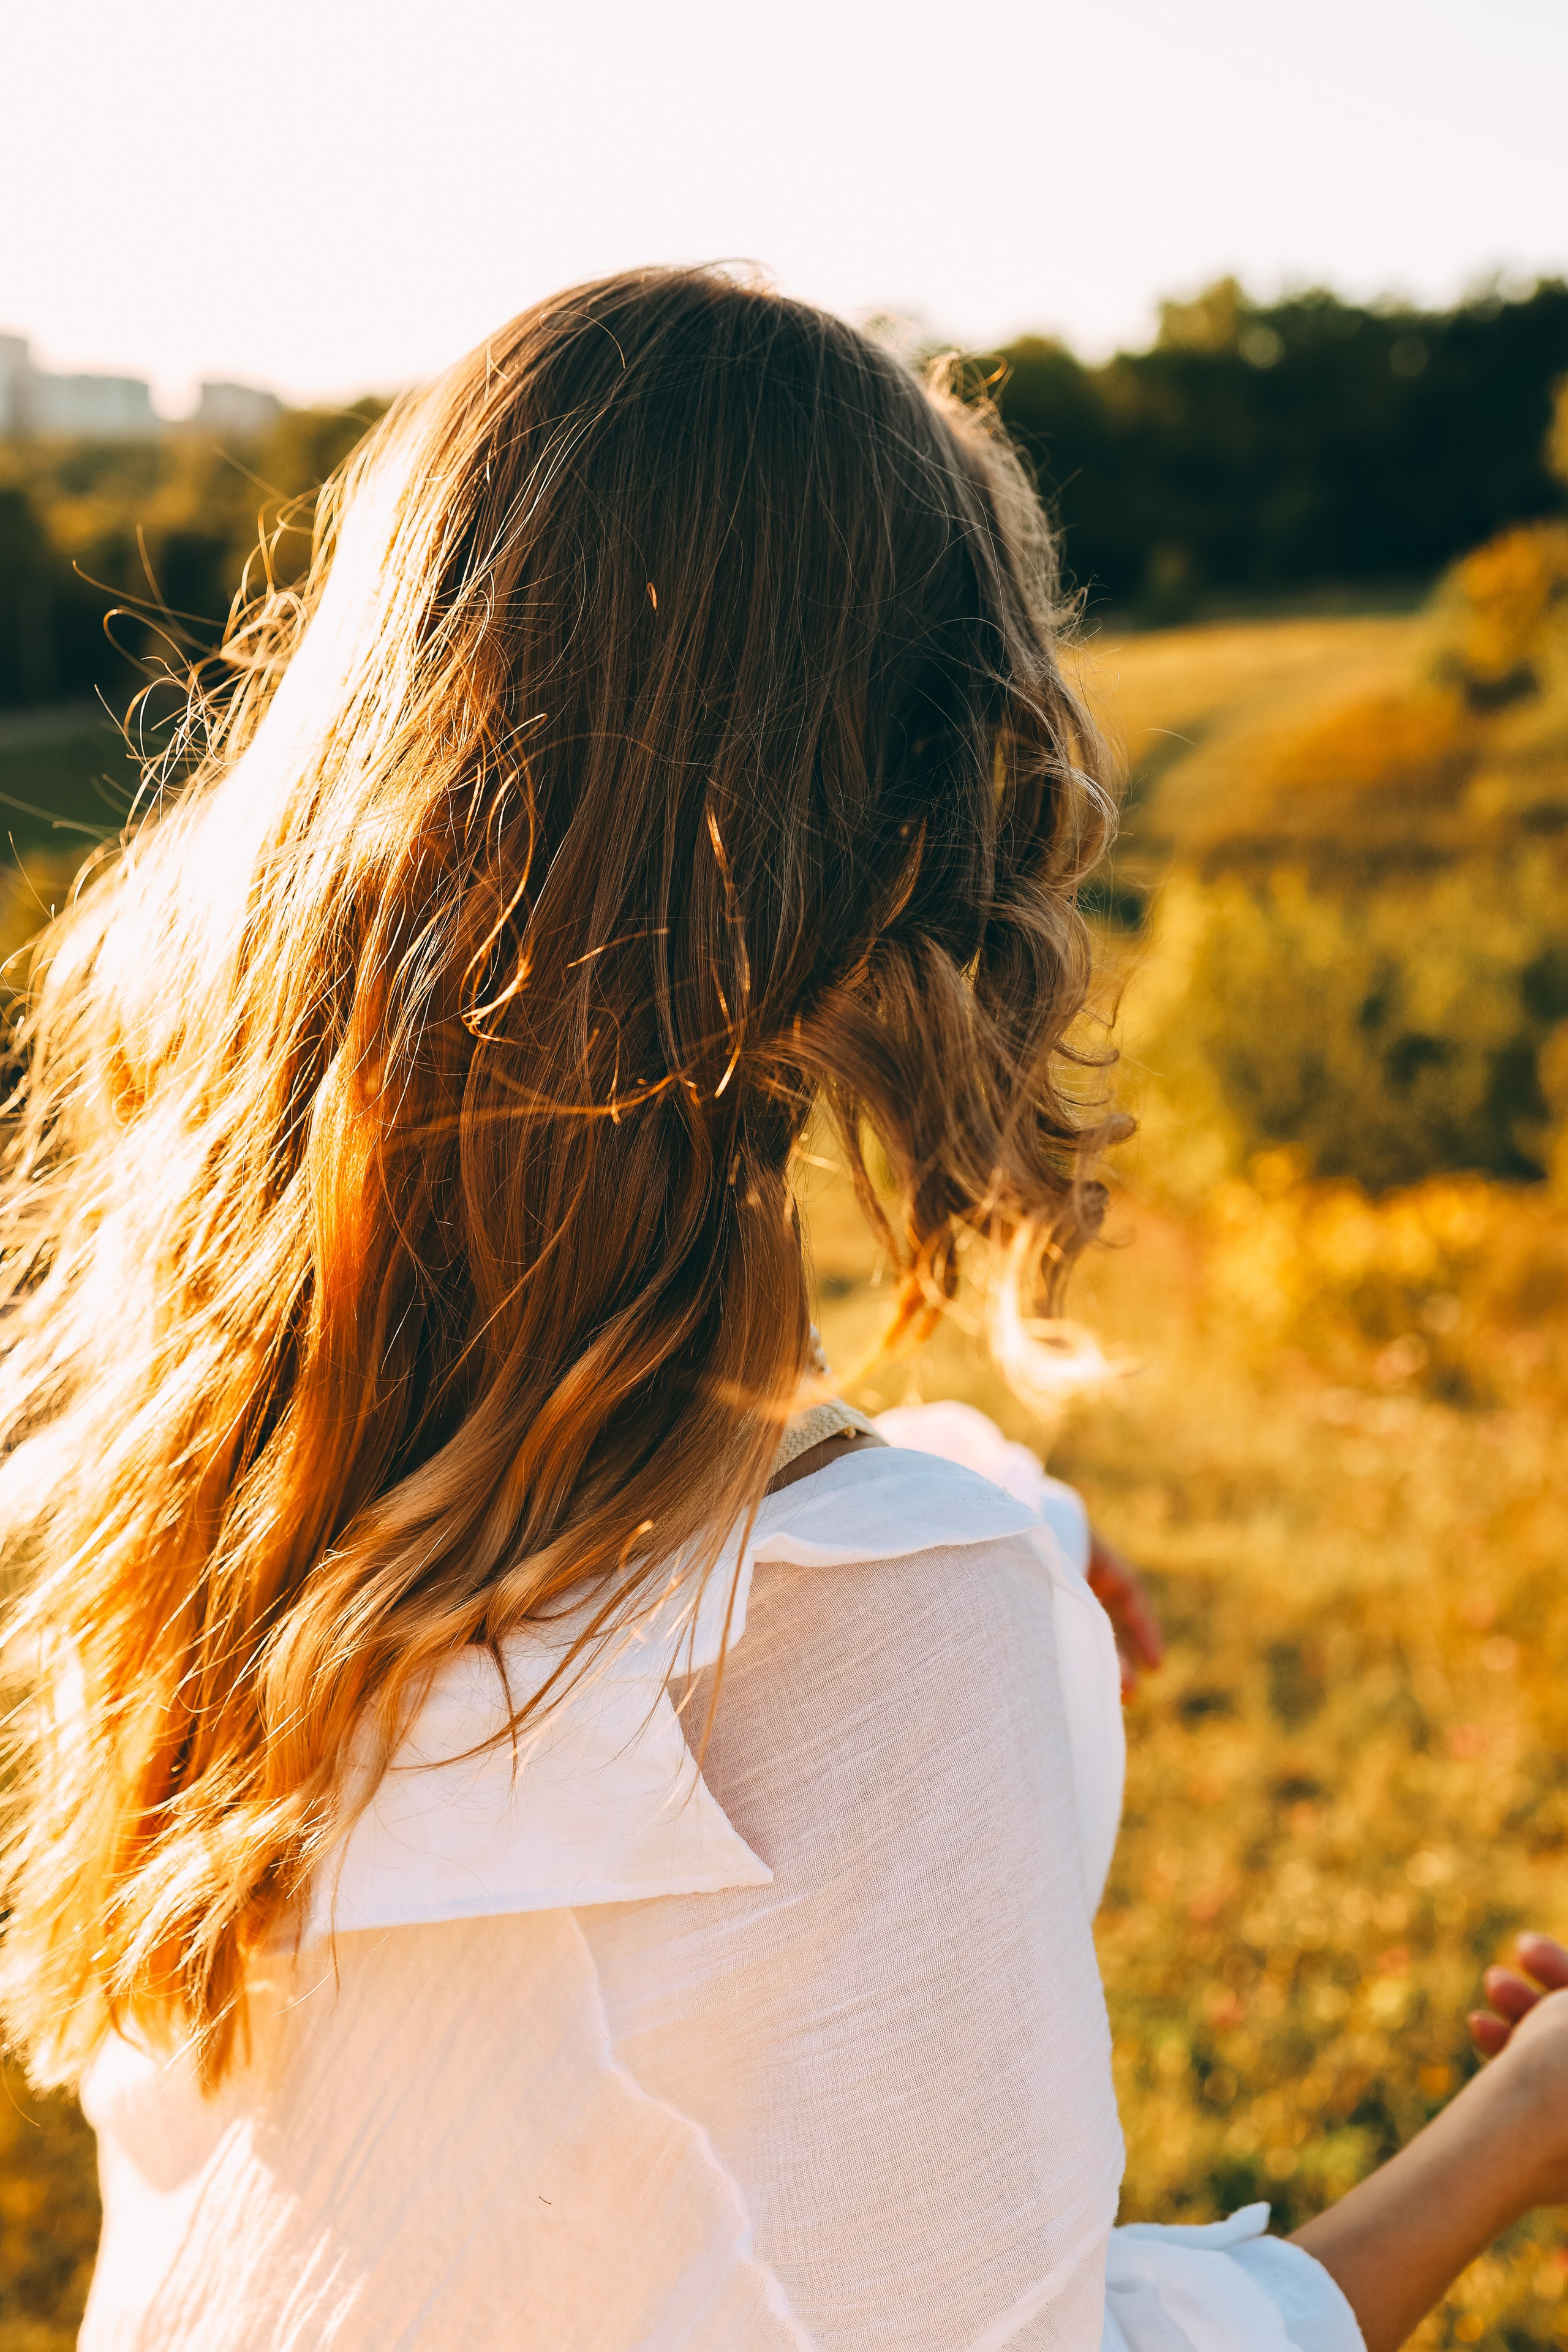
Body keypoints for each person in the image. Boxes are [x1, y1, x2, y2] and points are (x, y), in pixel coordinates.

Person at [0, 267, 1562, 2352]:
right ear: (924, 847)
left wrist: (1006, 1512)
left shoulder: (207, 1495)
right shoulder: (900, 1639)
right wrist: (1523, 2124)